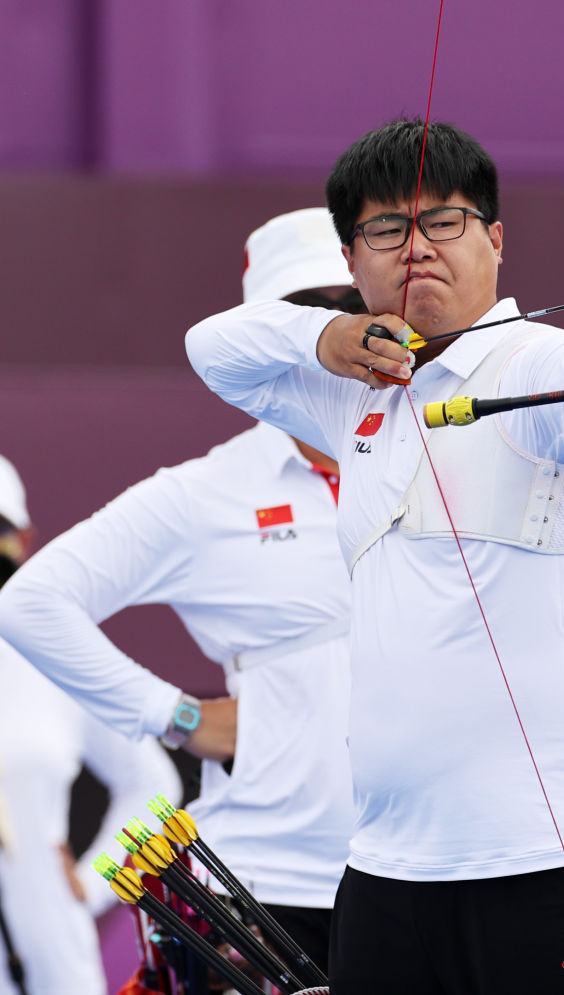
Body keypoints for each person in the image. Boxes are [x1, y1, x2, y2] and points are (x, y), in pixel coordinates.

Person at [184, 120, 564, 995]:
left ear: (493, 237)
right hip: (387, 870)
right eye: (387, 230)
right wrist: (324, 339)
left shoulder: (544, 366)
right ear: (352, 257)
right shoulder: (350, 396)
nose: (417, 250)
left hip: (562, 861)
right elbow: (210, 346)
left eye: (443, 221)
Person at [0, 209, 364, 976]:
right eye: (299, 315)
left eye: (349, 307)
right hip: (265, 889)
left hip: (437, 874)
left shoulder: (439, 460)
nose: (328, 332)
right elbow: (30, 601)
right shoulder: (208, 492)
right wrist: (181, 716)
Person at [0, 455, 180, 995]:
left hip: (51, 959)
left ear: (25, 539)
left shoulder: (49, 656)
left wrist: (94, 879)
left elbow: (154, 786)